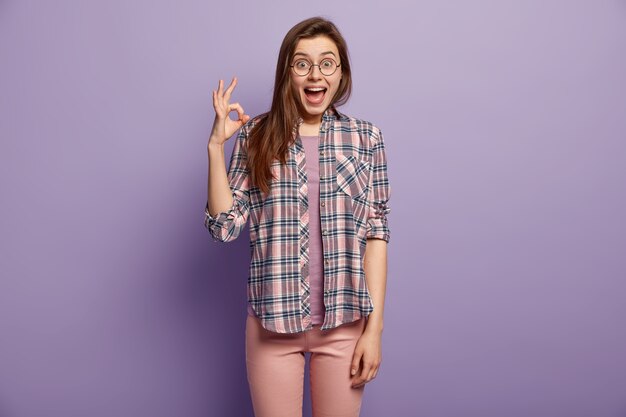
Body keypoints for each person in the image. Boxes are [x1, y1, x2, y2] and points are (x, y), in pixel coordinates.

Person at [204, 16, 391, 417]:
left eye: (327, 63)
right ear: (287, 72)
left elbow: (376, 235)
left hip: (343, 327)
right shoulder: (255, 136)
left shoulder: (366, 140)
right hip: (272, 327)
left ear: (341, 73)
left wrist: (373, 331)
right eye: (302, 63)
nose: (315, 74)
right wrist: (216, 146)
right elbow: (224, 227)